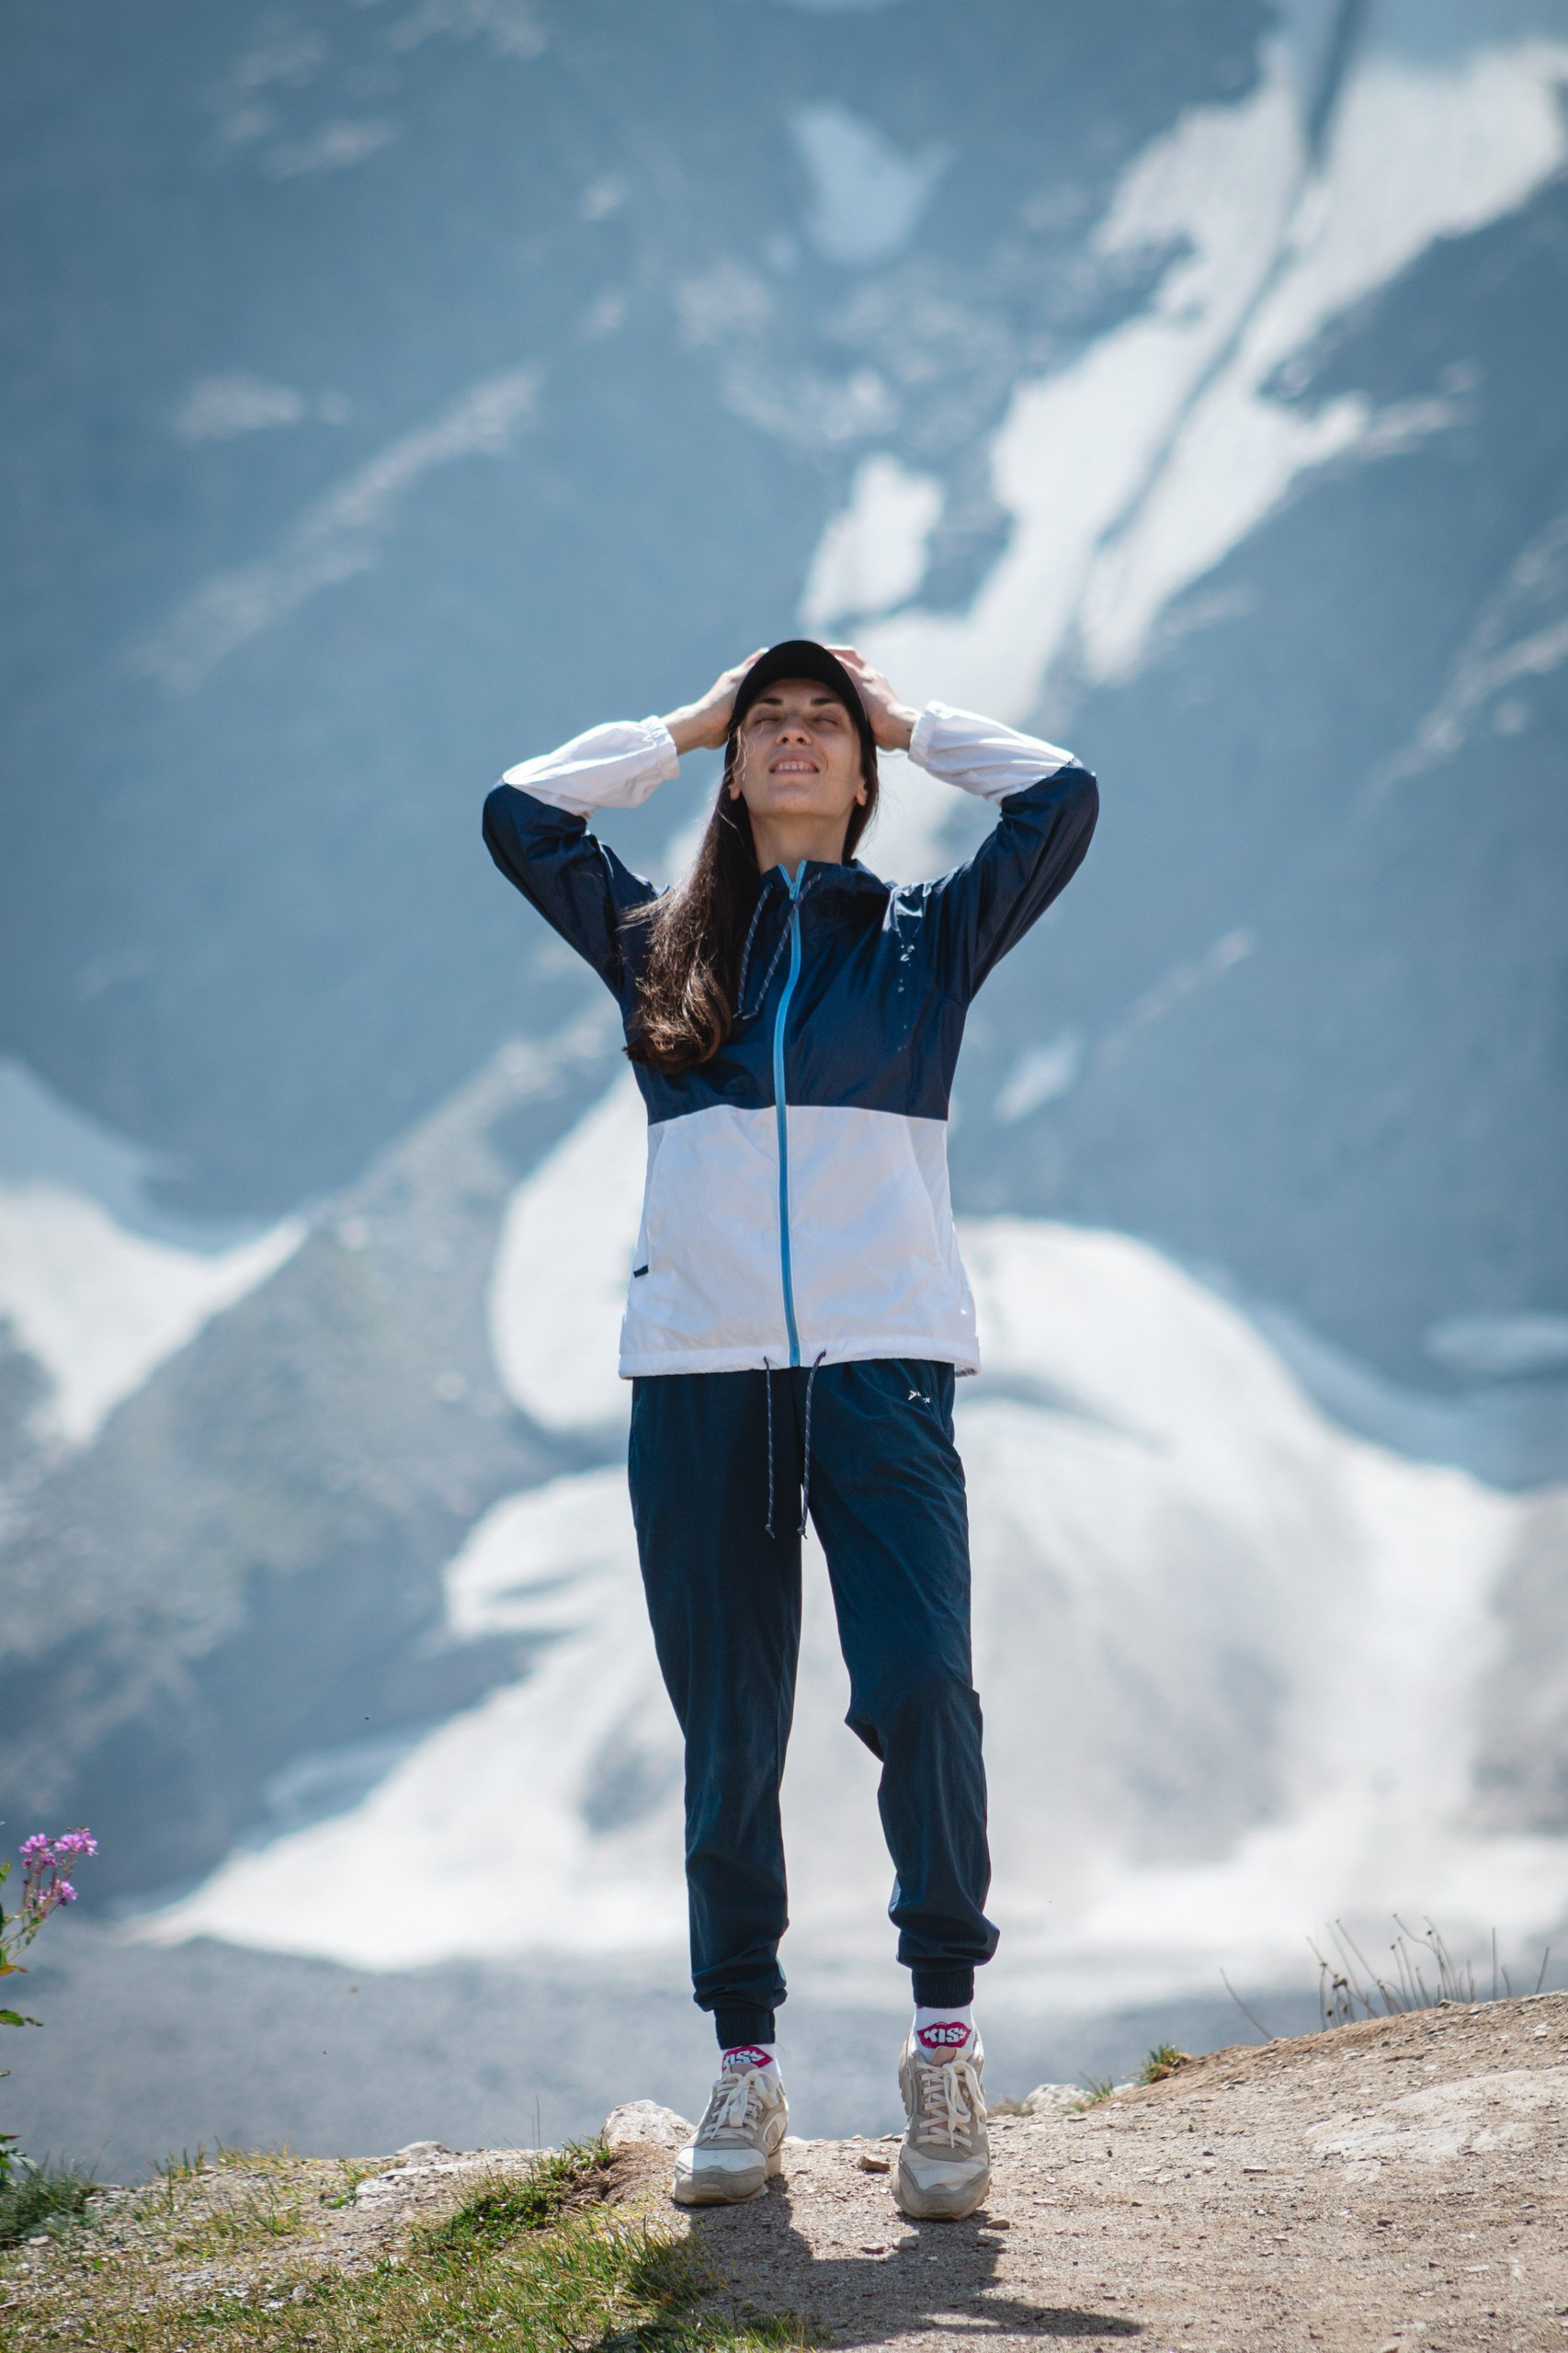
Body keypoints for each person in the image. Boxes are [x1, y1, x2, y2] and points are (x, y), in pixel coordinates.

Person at [483, 641, 1097, 2219]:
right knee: (728, 1731)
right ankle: (744, 2070)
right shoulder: (658, 944)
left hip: (879, 1374)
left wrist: (908, 717)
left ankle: (942, 2051)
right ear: (733, 762)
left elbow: (1061, 798)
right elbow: (518, 815)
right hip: (698, 1377)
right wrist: (682, 726)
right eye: (771, 723)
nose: (794, 738)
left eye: (823, 722)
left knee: (918, 1693)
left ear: (868, 764)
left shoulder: (927, 937)